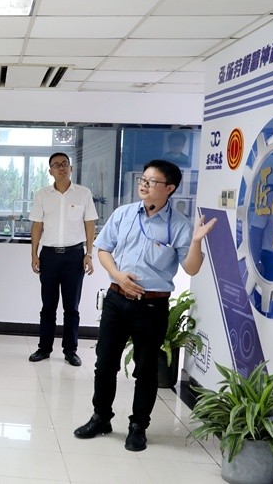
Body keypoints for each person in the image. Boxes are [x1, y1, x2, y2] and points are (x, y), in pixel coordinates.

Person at [74, 159, 216, 452]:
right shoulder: (123, 214)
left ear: (170, 188)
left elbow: (190, 269)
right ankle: (101, 417)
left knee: (146, 369)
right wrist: (116, 275)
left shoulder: (178, 226)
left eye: (152, 181)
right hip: (115, 300)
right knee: (104, 364)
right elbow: (103, 249)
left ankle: (138, 426)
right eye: (144, 178)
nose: (144, 184)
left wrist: (197, 243)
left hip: (151, 307)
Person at [28, 152, 98, 366]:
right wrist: (34, 253)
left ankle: (70, 350)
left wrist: (89, 254)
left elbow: (90, 224)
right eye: (56, 165)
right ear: (50, 171)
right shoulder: (42, 194)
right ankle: (44, 348)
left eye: (65, 164)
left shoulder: (83, 194)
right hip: (49, 255)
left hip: (74, 256)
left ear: (71, 168)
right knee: (48, 306)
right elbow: (37, 225)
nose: (61, 168)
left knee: (72, 307)